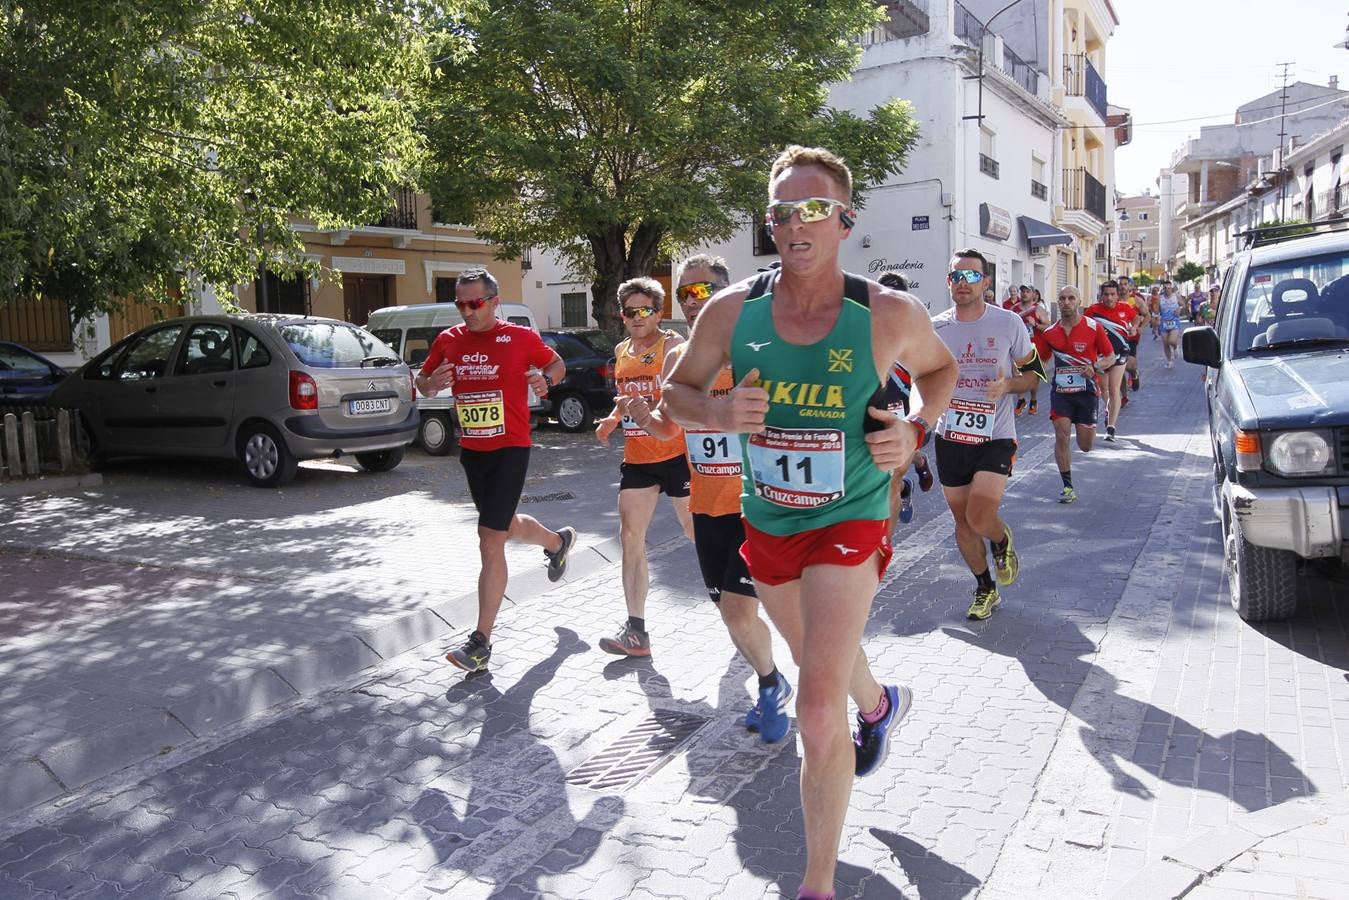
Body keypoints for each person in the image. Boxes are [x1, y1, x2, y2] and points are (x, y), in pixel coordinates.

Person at [663, 145, 957, 900]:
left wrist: (915, 430)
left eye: (814, 209)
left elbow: (939, 371)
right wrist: (720, 412)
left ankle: (816, 885)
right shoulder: (734, 311)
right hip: (768, 522)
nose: (796, 224)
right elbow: (676, 394)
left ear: (844, 220)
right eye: (781, 212)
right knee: (825, 661)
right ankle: (881, 703)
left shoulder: (886, 313)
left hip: (852, 515)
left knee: (815, 702)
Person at [625, 254, 795, 741]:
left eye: (702, 291)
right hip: (707, 509)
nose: (692, 302)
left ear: (726, 292)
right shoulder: (678, 361)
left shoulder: (756, 351)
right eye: (684, 294)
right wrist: (640, 415)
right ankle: (771, 681)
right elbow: (667, 429)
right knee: (730, 613)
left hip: (758, 508)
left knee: (743, 611)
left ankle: (786, 689)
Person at [417, 268, 577, 673]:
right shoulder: (449, 340)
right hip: (472, 449)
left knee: (490, 539)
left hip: (511, 447)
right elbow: (423, 383)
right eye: (460, 304)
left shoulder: (520, 337)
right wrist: (430, 382)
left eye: (474, 303)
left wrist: (545, 380)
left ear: (493, 301)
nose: (467, 311)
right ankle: (556, 543)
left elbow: (557, 365)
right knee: (501, 528)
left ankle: (481, 641)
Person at [934, 252, 1045, 620]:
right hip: (950, 435)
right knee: (963, 523)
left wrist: (1009, 385)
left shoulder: (1009, 322)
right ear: (948, 281)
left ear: (986, 282)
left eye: (971, 275)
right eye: (955, 275)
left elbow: (1035, 376)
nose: (962, 281)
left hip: (995, 435)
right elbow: (919, 378)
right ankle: (985, 588)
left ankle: (1001, 539)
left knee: (981, 517)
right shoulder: (935, 328)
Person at [593, 278, 693, 657]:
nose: (637, 317)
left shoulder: (674, 347)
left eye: (645, 310)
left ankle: (739, 598)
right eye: (630, 311)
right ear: (622, 315)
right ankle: (636, 630)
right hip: (638, 460)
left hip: (676, 453)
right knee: (630, 538)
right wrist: (612, 418)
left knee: (697, 533)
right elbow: (626, 396)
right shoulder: (622, 350)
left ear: (659, 312)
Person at [1035, 285, 1117, 503]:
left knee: (1085, 445)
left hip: (1087, 392)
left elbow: (1111, 357)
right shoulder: (1050, 332)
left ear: (1079, 301)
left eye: (1071, 298)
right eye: (1062, 298)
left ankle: (1089, 433)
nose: (1066, 302)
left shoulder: (1093, 328)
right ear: (1058, 302)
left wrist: (1096, 366)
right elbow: (1041, 361)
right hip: (1061, 392)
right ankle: (1068, 487)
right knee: (1061, 435)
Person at [877, 271, 935, 532]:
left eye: (897, 296)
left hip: (908, 414)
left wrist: (925, 416)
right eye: (884, 296)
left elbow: (938, 373)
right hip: (877, 414)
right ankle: (914, 471)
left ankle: (883, 548)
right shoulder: (866, 331)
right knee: (882, 479)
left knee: (892, 477)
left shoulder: (919, 332)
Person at [1084, 280, 1138, 442]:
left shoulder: (1125, 308)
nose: (1109, 298)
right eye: (1106, 294)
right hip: (1101, 356)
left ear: (1117, 296)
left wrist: (1134, 327)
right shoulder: (1093, 310)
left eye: (1112, 294)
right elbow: (1083, 327)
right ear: (1101, 295)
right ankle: (1108, 408)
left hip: (1120, 353)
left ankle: (1111, 428)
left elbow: (1136, 319)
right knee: (1104, 388)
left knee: (1115, 389)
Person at [1003, 284, 1049, 416]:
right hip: (1016, 347)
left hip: (1034, 348)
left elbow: (1047, 326)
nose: (1024, 294)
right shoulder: (1014, 309)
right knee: (1017, 374)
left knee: (1033, 376)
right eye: (1022, 291)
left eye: (1027, 291)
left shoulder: (1038, 310)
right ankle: (1021, 400)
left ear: (1033, 294)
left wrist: (1035, 324)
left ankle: (1033, 401)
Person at [1158, 280, 1183, 367]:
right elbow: (1156, 310)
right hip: (1164, 322)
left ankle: (1175, 347)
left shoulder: (1176, 296)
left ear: (1171, 288)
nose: (1167, 289)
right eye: (1165, 288)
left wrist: (1179, 309)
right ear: (1163, 289)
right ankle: (1169, 361)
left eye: (1169, 288)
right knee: (1165, 344)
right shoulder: (1160, 298)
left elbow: (1183, 305)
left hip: (1174, 321)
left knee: (1171, 341)